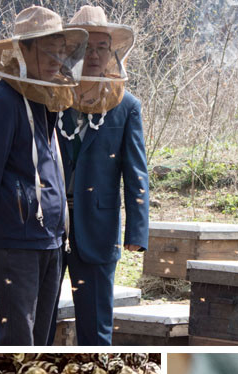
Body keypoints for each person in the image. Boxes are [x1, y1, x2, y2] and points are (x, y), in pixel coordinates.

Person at [0, 7, 87, 346]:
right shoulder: (0, 102)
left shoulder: (45, 101)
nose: (55, 58)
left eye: (60, 50)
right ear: (23, 50)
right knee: (18, 344)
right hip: (15, 243)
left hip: (49, 241)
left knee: (42, 342)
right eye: (46, 49)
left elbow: (50, 172)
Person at [55, 5, 149, 344]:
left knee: (96, 330)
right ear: (71, 50)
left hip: (98, 227)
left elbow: (135, 171)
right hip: (48, 225)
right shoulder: (49, 97)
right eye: (85, 47)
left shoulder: (127, 106)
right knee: (38, 324)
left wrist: (137, 230)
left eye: (101, 47)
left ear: (112, 52)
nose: (93, 55)